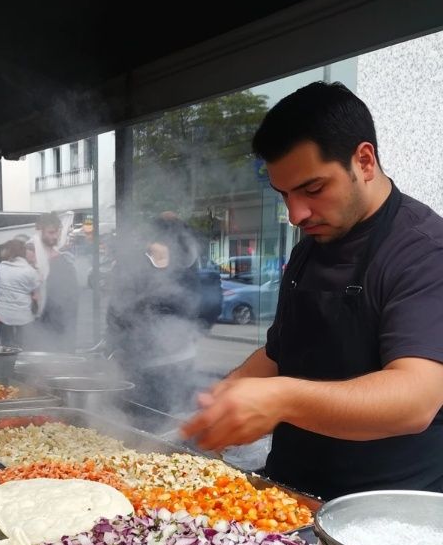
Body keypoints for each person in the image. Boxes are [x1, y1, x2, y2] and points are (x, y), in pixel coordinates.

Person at [182, 81, 443, 500]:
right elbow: (278, 353)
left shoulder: (424, 251)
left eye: (313, 189)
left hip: (379, 515)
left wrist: (280, 398)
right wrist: (224, 399)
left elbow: (416, 399)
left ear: (364, 160)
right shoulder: (309, 251)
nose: (296, 213)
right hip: (287, 494)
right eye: (284, 194)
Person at [106, 214, 202, 412]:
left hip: (172, 361)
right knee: (143, 416)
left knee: (162, 416)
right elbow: (116, 312)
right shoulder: (134, 265)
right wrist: (116, 349)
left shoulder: (186, 268)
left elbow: (190, 310)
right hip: (142, 361)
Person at [29, 213, 79, 352]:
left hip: (61, 322)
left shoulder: (61, 258)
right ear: (40, 231)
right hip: (40, 324)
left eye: (57, 232)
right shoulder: (31, 254)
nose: (55, 236)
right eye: (51, 232)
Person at [0, 239, 40, 347]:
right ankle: (20, 363)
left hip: (3, 314)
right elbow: (36, 294)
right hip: (23, 315)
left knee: (6, 345)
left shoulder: (1, 268)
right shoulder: (30, 271)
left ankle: (6, 363)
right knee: (22, 346)